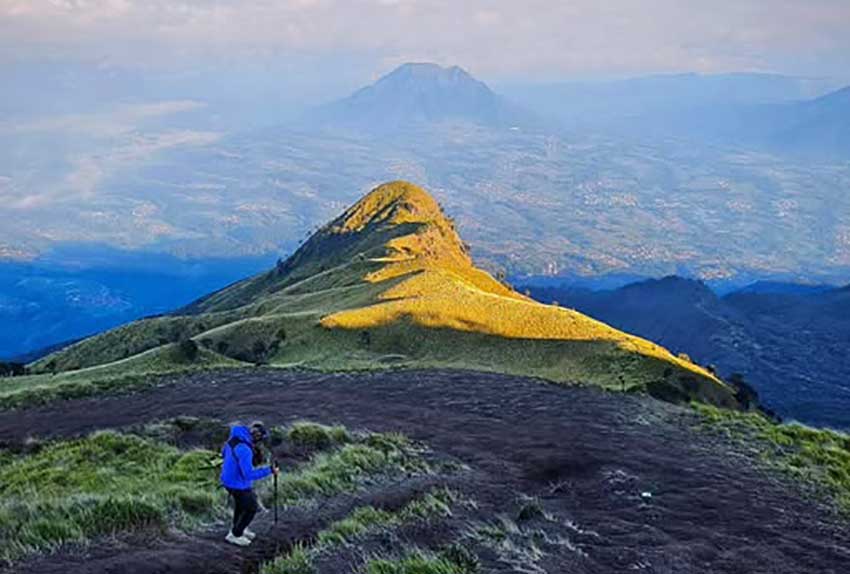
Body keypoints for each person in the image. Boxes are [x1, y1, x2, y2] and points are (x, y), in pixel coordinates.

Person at [220, 422, 279, 546]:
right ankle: (235, 534)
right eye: (260, 439)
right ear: (256, 437)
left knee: (241, 506)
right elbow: (248, 474)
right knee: (251, 507)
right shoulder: (245, 449)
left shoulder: (233, 440)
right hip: (237, 484)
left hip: (228, 480)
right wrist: (270, 470)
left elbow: (224, 453)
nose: (260, 443)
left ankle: (239, 528)